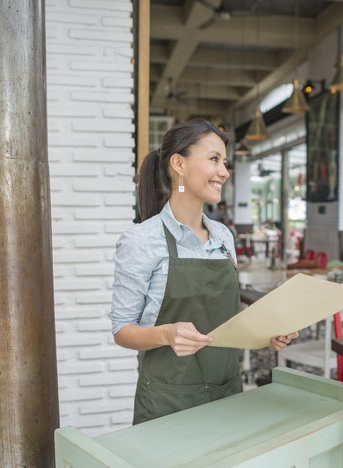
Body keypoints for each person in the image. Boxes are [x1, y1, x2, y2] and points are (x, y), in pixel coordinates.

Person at [110, 119, 298, 424]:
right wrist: (166, 333)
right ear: (179, 164)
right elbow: (122, 330)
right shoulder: (141, 240)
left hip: (227, 395)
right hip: (167, 403)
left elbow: (225, 323)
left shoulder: (224, 236)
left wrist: (268, 333)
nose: (224, 171)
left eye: (225, 162)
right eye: (214, 160)